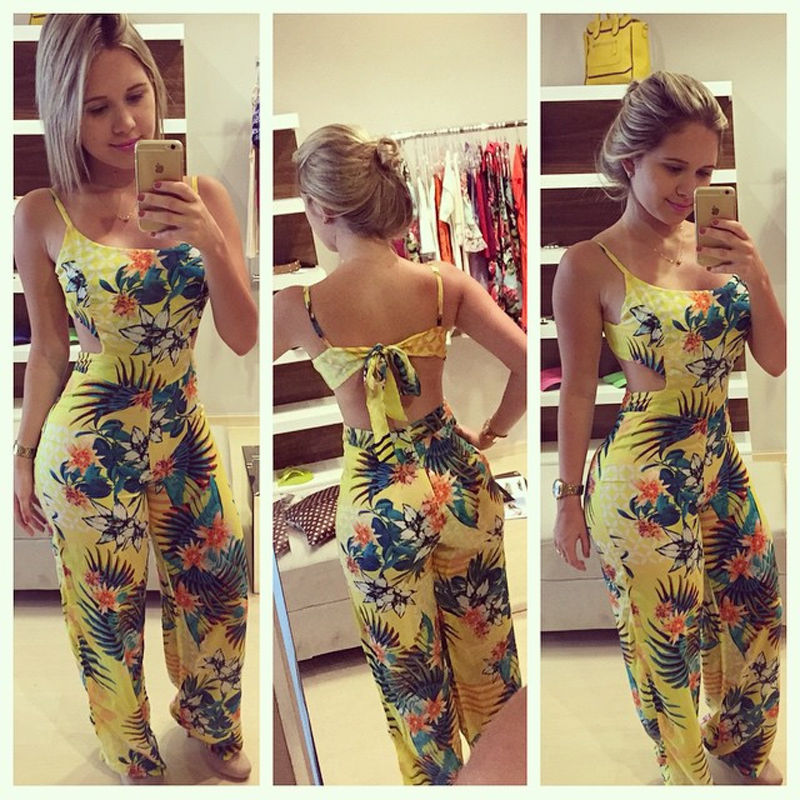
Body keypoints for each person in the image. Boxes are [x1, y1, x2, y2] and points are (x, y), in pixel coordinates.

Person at [13, 14, 257, 784]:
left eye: (136, 95)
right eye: (97, 108)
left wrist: (210, 241)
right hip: (88, 452)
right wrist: (22, 454)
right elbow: (48, 348)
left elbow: (244, 336)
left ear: (156, 90)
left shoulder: (204, 196)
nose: (125, 123)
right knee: (106, 617)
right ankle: (132, 751)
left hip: (184, 432)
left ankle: (211, 718)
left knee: (220, 587)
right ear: (65, 112)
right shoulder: (41, 213)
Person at [273, 123, 526, 785]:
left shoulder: (300, 306)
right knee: (490, 663)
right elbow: (529, 363)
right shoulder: (444, 286)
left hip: (377, 504)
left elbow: (238, 354)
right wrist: (493, 430)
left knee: (411, 683)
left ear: (323, 210)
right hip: (457, 480)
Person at [552, 71, 784, 785]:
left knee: (759, 609)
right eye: (673, 168)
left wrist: (758, 275)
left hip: (720, 458)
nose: (690, 188)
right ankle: (687, 774)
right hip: (642, 481)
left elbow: (775, 360)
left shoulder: (719, 248)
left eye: (705, 172)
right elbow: (579, 390)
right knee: (669, 644)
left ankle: (739, 743)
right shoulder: (588, 264)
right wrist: (566, 499)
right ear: (630, 161)